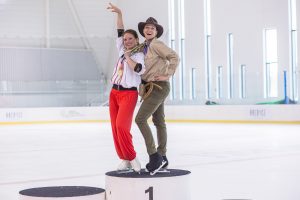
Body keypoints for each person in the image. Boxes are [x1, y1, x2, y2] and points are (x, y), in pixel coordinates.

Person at [135, 17, 180, 174]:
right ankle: (163, 155)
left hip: (159, 87)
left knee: (140, 119)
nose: (149, 30)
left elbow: (174, 56)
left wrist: (167, 74)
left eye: (152, 29)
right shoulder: (144, 46)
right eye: (147, 28)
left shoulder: (156, 44)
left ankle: (155, 157)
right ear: (143, 30)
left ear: (156, 32)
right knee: (159, 121)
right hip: (150, 88)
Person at [107, 3, 145, 172]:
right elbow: (120, 30)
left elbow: (138, 69)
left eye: (130, 39)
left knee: (123, 126)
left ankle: (132, 156)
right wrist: (120, 14)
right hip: (114, 92)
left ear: (137, 40)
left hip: (129, 94)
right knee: (115, 128)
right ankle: (124, 158)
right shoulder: (121, 48)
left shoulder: (139, 54)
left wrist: (128, 56)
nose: (127, 41)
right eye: (125, 39)